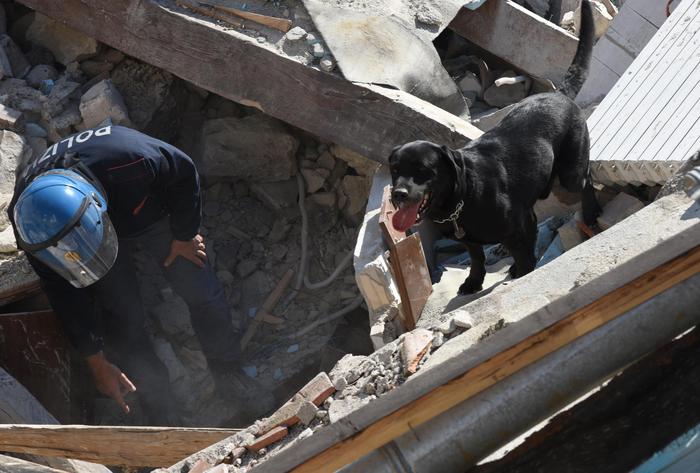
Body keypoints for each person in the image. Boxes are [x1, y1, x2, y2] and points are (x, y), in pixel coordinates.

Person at [8, 125, 244, 423]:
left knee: (200, 288)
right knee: (123, 318)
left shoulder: (131, 159)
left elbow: (183, 170)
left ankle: (228, 370)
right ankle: (162, 412)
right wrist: (96, 361)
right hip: (90, 226)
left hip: (138, 207)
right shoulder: (33, 227)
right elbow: (63, 292)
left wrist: (184, 235)